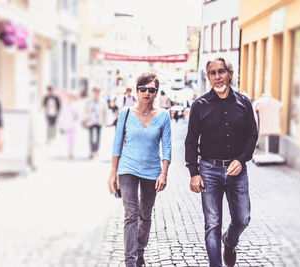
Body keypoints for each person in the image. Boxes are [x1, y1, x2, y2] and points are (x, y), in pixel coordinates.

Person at [185, 57, 258, 267]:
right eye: (213, 73)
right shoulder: (200, 106)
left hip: (237, 171)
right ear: (208, 77)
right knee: (212, 224)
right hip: (209, 170)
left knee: (243, 218)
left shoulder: (244, 103)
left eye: (222, 71)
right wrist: (194, 172)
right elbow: (191, 142)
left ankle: (230, 241)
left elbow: (252, 136)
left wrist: (242, 159)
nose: (218, 77)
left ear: (230, 74)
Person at [108, 73, 171, 267]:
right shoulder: (125, 114)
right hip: (128, 169)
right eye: (143, 89)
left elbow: (167, 147)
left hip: (152, 171)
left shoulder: (163, 116)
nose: (147, 93)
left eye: (151, 90)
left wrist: (164, 172)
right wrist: (113, 172)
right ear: (137, 91)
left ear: (156, 93)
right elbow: (117, 143)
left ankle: (139, 251)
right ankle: (130, 261)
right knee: (131, 214)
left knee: (145, 215)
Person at [83, 87, 107, 159]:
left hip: (99, 121)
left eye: (98, 92)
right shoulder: (89, 101)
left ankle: (96, 150)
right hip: (90, 121)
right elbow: (85, 110)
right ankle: (91, 151)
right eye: (95, 92)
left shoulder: (102, 102)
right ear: (93, 92)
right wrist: (85, 119)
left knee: (97, 137)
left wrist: (105, 121)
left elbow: (105, 112)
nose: (96, 94)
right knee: (91, 137)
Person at [59, 92, 79, 159]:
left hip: (73, 124)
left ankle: (71, 152)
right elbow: (62, 115)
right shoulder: (64, 105)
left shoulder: (75, 105)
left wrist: (75, 115)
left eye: (71, 97)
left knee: (72, 139)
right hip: (66, 124)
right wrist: (61, 125)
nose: (70, 98)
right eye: (69, 97)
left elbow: (78, 114)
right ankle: (68, 152)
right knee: (67, 140)